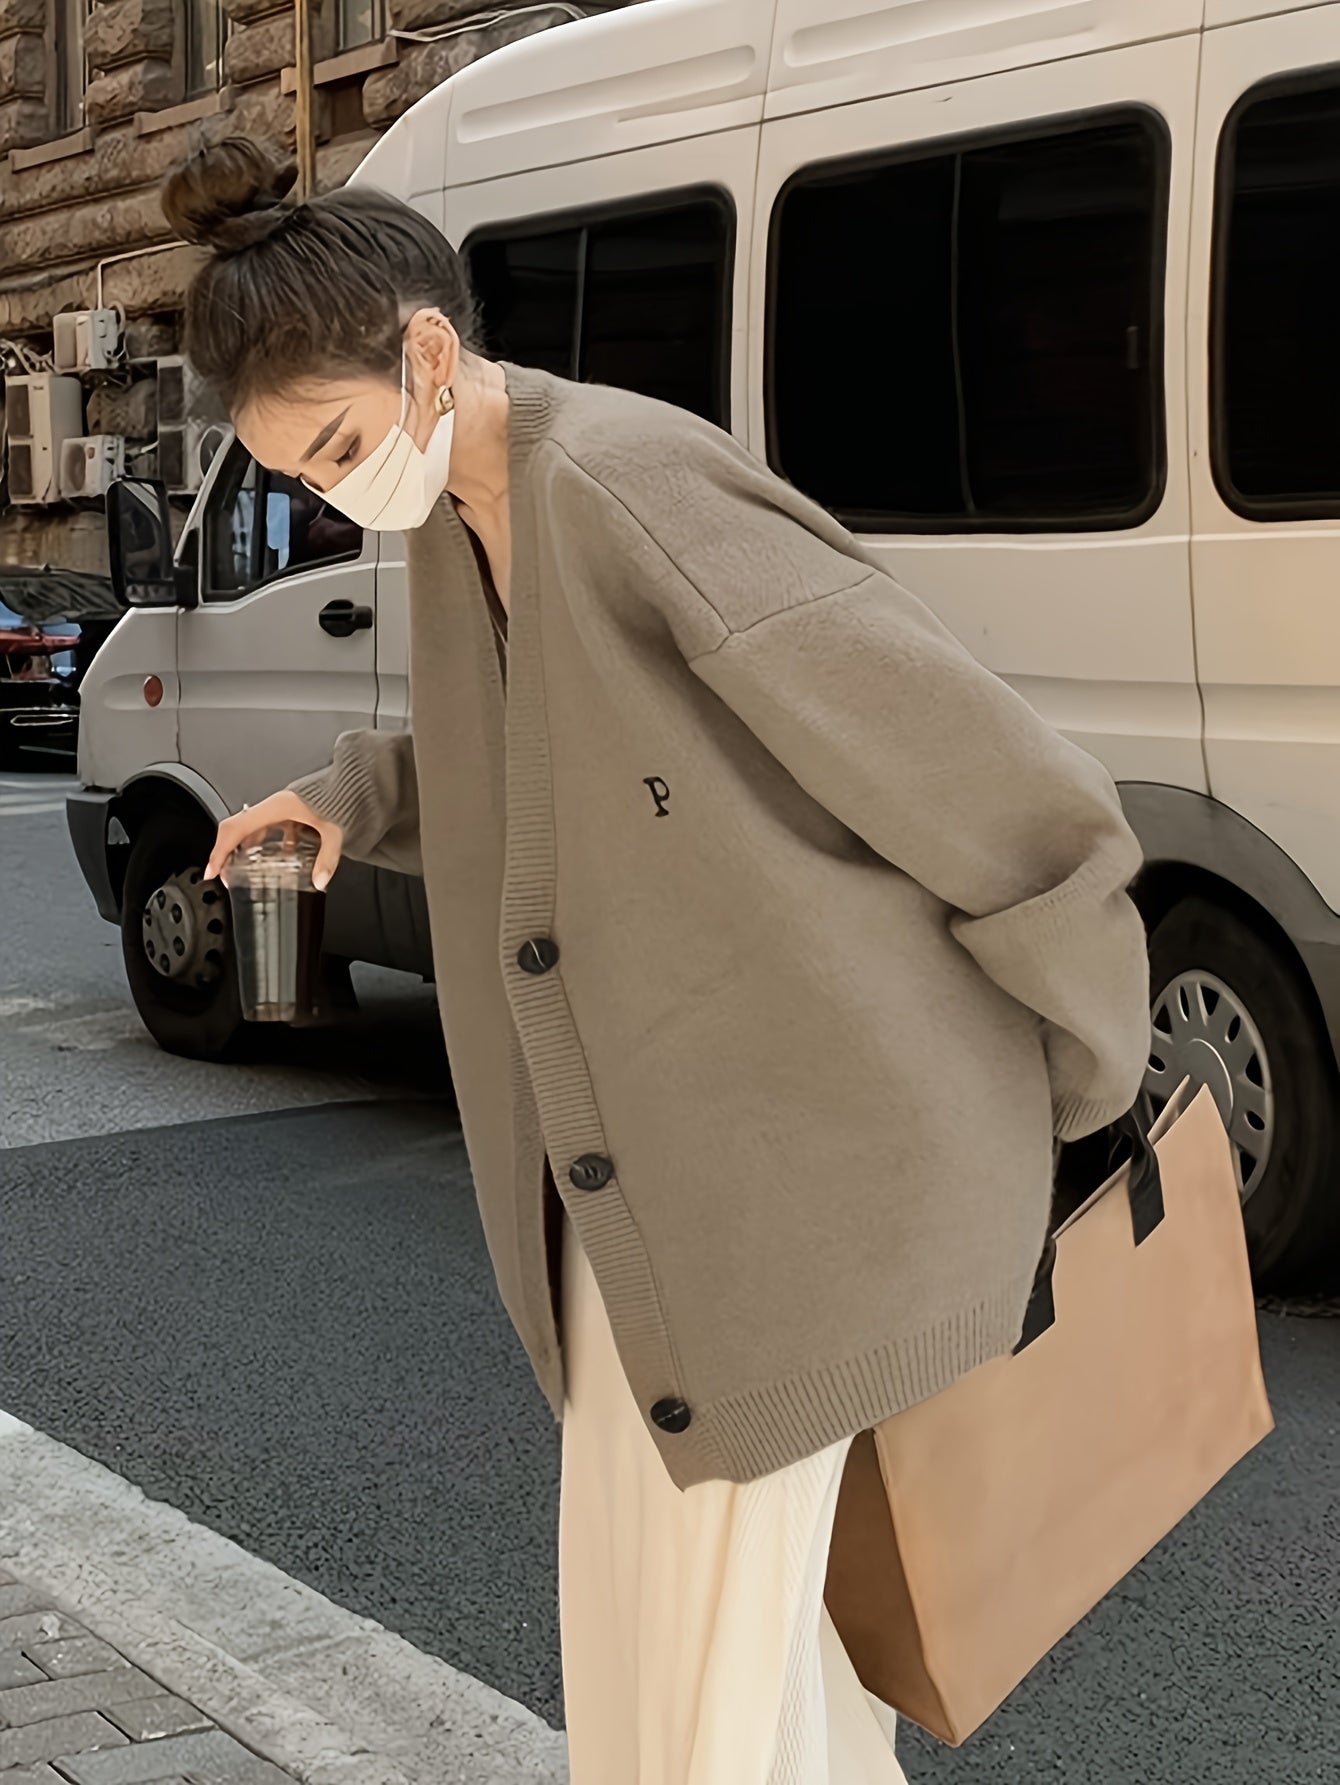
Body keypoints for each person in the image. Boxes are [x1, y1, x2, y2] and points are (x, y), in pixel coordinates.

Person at [167, 136, 1152, 1784]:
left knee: (674, 1728)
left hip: (789, 1207)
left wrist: (1089, 1072)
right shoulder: (456, 511)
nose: (344, 493)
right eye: (307, 478)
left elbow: (985, 770)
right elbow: (532, 747)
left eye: (342, 448)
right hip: (649, 1206)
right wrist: (354, 795)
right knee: (762, 1707)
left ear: (426, 349)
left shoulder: (620, 486)